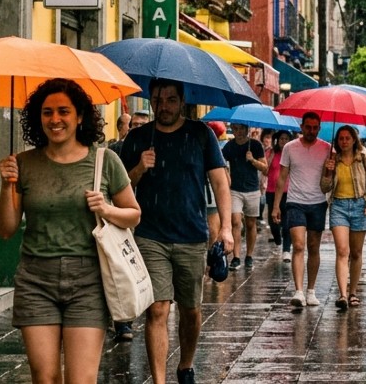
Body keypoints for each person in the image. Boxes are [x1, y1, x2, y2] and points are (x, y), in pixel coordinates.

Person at [0, 78, 141, 384]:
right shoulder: (23, 163)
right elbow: (6, 229)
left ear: (79, 117)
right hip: (36, 280)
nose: (55, 119)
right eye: (47, 112)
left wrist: (107, 209)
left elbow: (134, 215)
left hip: (88, 280)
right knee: (45, 377)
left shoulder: (105, 160)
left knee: (81, 379)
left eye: (63, 111)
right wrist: (7, 184)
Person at [119, 79, 233, 384]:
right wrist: (140, 168)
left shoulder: (200, 134)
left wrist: (226, 227)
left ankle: (185, 365)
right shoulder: (138, 138)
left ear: (181, 101)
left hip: (191, 235)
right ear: (151, 100)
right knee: (157, 308)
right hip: (149, 234)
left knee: (191, 310)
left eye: (171, 99)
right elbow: (119, 189)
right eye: (158, 99)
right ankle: (159, 380)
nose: (164, 106)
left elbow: (220, 182)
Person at [272, 112, 332, 307]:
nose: (311, 131)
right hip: (295, 202)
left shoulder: (327, 149)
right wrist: (276, 206)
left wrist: (331, 169)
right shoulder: (290, 147)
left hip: (317, 203)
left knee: (313, 247)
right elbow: (282, 177)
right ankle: (298, 291)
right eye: (308, 127)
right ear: (301, 126)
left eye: (315, 128)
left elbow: (330, 180)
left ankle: (311, 290)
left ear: (319, 128)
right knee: (298, 245)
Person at [319, 125, 366, 310]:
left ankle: (353, 292)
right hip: (338, 206)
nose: (344, 141)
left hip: (360, 206)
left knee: (356, 253)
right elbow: (324, 188)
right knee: (342, 251)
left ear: (354, 140)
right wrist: (328, 172)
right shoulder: (332, 159)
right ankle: (343, 294)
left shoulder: (364, 157)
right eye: (341, 138)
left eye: (347, 138)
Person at [109, 109, 150, 342]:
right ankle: (123, 322)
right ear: (123, 128)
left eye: (142, 125)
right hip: (120, 217)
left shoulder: (153, 148)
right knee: (122, 267)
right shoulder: (115, 151)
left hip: (145, 217)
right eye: (133, 125)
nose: (136, 129)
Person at [222, 122, 267, 270]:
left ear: (247, 129)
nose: (239, 131)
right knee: (235, 221)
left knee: (250, 223)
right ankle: (236, 257)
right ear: (232, 130)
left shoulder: (255, 145)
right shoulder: (229, 147)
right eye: (235, 128)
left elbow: (265, 168)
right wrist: (227, 176)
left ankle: (249, 255)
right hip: (235, 189)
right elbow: (221, 165)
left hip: (252, 189)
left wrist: (252, 160)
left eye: (242, 128)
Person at [265, 130, 293, 261]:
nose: (284, 141)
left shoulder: (292, 153)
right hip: (271, 191)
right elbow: (265, 170)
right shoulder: (271, 153)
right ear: (277, 140)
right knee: (273, 222)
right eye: (282, 138)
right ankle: (277, 238)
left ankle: (287, 249)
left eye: (286, 139)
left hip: (288, 192)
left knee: (287, 222)